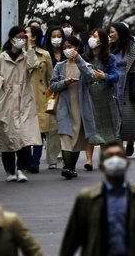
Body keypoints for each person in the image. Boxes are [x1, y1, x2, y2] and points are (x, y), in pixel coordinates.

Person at [0, 25, 42, 182]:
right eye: (19, 37)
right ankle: (10, 171)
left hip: (24, 101)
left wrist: (30, 47)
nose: (22, 40)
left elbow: (34, 65)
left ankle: (21, 169)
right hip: (7, 102)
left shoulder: (26, 57)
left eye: (24, 37)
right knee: (8, 138)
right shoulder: (1, 59)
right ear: (11, 39)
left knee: (24, 138)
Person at [49, 35, 99, 180]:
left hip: (81, 107)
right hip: (64, 107)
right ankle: (67, 167)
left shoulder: (85, 65)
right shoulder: (59, 66)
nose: (67, 50)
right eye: (64, 48)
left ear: (77, 48)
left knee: (77, 139)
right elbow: (53, 85)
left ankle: (71, 168)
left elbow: (91, 77)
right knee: (65, 137)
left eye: (70, 47)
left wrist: (79, 59)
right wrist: (65, 82)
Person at [108, 22, 135, 156]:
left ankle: (130, 140)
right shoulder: (109, 47)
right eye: (109, 32)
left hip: (130, 84)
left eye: (112, 32)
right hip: (114, 84)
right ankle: (119, 146)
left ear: (120, 32)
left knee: (128, 116)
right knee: (116, 116)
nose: (110, 34)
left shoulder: (134, 46)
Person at [83, 27, 120, 171]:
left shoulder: (110, 58)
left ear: (102, 40)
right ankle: (88, 160)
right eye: (92, 35)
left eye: (96, 36)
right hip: (89, 95)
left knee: (106, 129)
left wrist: (105, 76)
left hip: (105, 96)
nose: (93, 38)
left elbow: (116, 76)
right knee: (90, 127)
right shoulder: (85, 57)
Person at [26, 22, 55, 173]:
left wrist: (52, 98)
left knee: (39, 130)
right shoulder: (19, 54)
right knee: (24, 130)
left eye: (28, 33)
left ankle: (35, 161)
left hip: (41, 96)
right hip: (23, 97)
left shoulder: (45, 55)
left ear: (35, 37)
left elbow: (50, 78)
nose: (24, 36)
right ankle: (25, 160)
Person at [42, 23, 67, 170]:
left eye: (59, 36)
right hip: (51, 94)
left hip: (67, 93)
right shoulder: (46, 54)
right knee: (52, 128)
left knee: (66, 126)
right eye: (54, 36)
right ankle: (52, 159)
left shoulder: (67, 52)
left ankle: (66, 157)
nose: (57, 39)